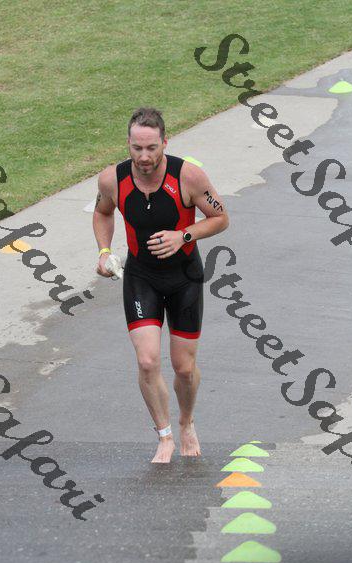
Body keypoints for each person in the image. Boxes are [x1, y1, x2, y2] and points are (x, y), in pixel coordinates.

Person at [93, 107, 229, 463]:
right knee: (147, 360)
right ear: (128, 144)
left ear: (165, 143)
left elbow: (220, 217)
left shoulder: (188, 177)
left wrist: (183, 235)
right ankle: (165, 435)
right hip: (142, 277)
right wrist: (104, 251)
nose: (144, 157)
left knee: (184, 367)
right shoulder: (112, 180)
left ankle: (186, 421)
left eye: (151, 148)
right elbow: (102, 212)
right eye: (137, 148)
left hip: (185, 278)